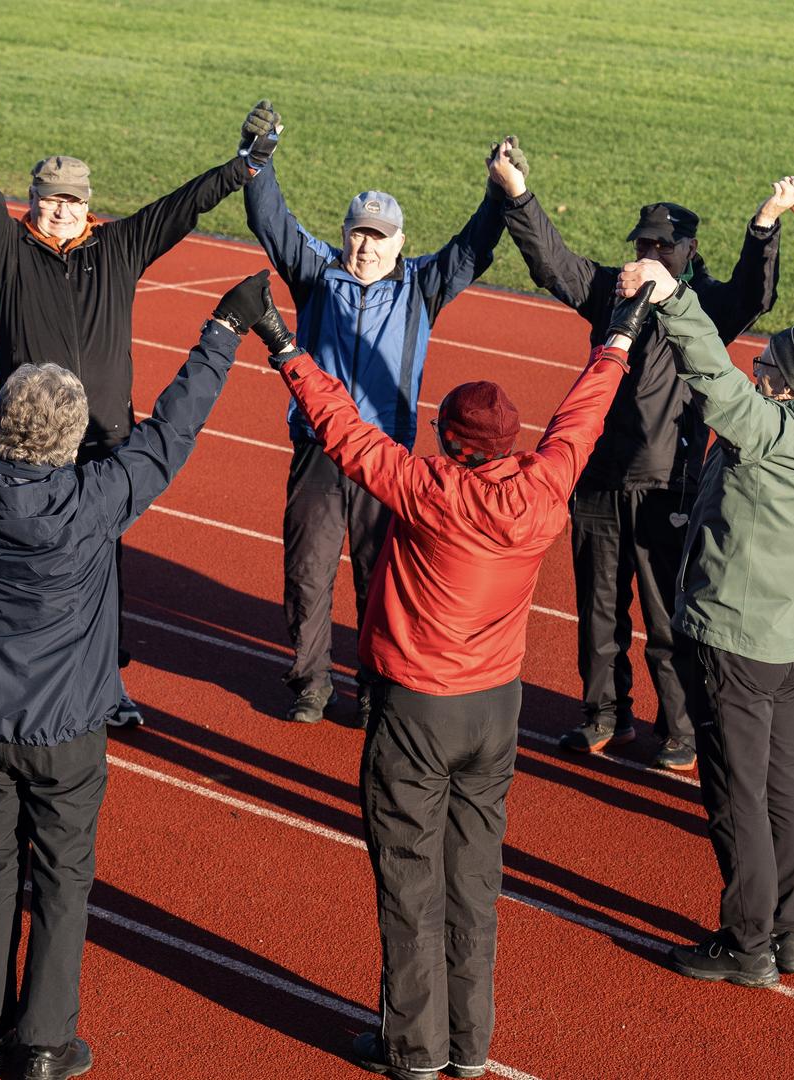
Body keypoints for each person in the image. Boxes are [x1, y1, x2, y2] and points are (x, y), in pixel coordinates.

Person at [0, 262, 263, 1079]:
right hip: (68, 729)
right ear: (71, 437)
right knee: (64, 884)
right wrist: (223, 329)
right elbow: (172, 428)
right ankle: (43, 1045)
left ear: (1, 425)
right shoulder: (99, 498)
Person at [267, 260, 641, 1076]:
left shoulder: (426, 489)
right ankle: (468, 1047)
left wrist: (282, 346)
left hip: (416, 713)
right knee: (473, 880)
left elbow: (345, 431)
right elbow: (580, 422)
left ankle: (414, 1047)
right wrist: (617, 341)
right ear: (507, 444)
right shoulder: (545, 487)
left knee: (408, 879)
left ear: (449, 442)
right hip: (495, 709)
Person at [0, 60, 270, 728]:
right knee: (30, 575)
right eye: (50, 197)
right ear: (32, 197)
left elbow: (180, 207)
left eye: (72, 200)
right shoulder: (6, 253)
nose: (60, 209)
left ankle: (106, 689)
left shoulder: (118, 248)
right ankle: (18, 683)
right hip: (34, 451)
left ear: (89, 203)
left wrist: (240, 167)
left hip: (108, 440)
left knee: (101, 572)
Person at [630, 230, 794, 987]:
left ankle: (747, 943)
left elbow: (712, 373)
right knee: (781, 788)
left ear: (781, 386)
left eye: (766, 365)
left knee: (736, 797)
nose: (757, 366)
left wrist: (673, 299)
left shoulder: (764, 433)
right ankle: (791, 931)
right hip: (788, 641)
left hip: (734, 642)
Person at [493, 140, 783, 769]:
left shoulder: (706, 306)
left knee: (667, 619)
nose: (649, 256)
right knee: (598, 611)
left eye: (663, 247)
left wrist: (764, 230)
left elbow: (756, 295)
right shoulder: (610, 292)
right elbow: (552, 263)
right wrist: (518, 194)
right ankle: (603, 713)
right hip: (596, 478)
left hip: (666, 489)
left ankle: (678, 727)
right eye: (643, 246)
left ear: (689, 251)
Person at [245, 126, 507, 726]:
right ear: (344, 235)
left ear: (399, 243)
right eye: (358, 235)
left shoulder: (422, 285)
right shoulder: (317, 273)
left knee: (378, 577)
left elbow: (471, 249)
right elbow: (273, 223)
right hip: (319, 450)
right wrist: (258, 163)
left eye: (378, 238)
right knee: (307, 573)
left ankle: (372, 685)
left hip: (385, 459)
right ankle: (311, 684)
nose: (366, 248)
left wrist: (497, 196)